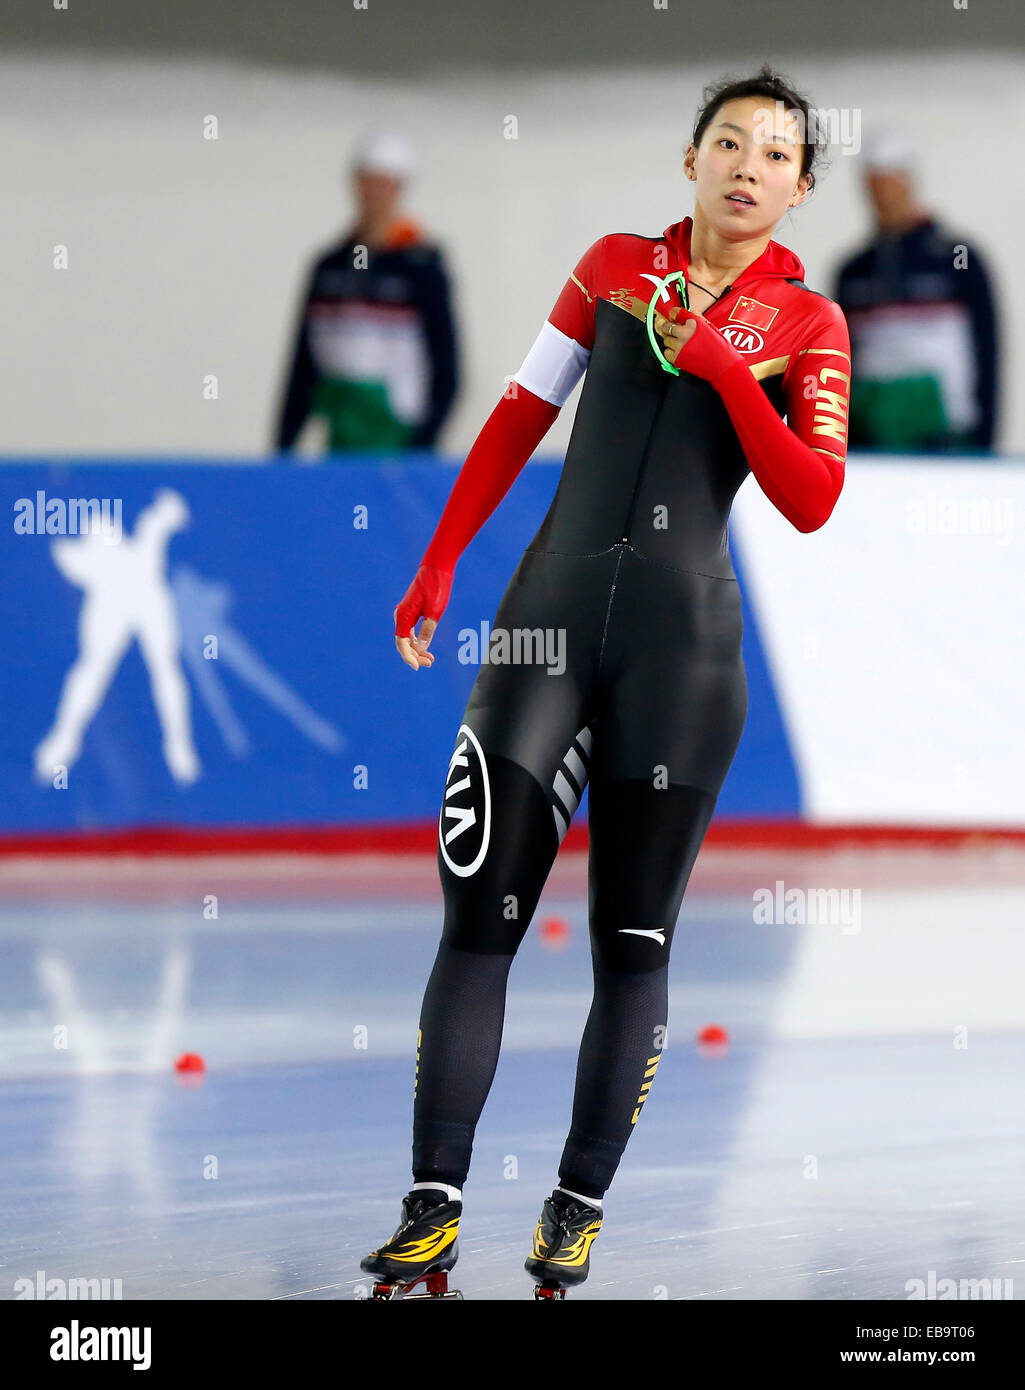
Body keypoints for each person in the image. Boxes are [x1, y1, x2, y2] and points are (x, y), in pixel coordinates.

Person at [362, 65, 852, 1300]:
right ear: (687, 159)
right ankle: (431, 1203)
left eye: (776, 155)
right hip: (541, 632)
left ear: (796, 192)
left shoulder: (808, 327)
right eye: (728, 141)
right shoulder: (609, 263)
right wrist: (436, 562)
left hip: (680, 664)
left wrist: (726, 370)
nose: (749, 164)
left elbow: (810, 500)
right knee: (480, 917)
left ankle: (573, 1209)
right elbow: (521, 412)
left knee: (630, 949)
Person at [274, 130, 459, 457]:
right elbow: (302, 368)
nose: (373, 193)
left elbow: (447, 368)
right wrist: (283, 450)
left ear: (400, 187)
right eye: (367, 181)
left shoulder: (422, 266)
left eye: (384, 182)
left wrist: (421, 449)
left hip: (400, 439)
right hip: (339, 443)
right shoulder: (328, 267)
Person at [833, 130, 998, 454]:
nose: (881, 193)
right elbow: (841, 359)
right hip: (870, 442)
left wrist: (985, 439)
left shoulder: (958, 257)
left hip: (948, 439)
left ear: (908, 181)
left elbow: (987, 349)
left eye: (890, 180)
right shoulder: (852, 271)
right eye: (873, 183)